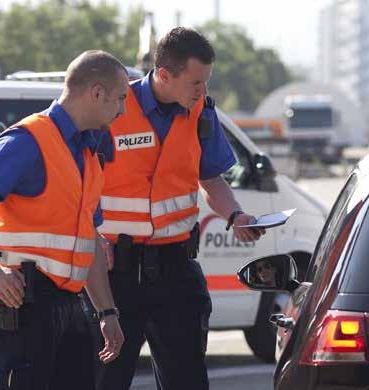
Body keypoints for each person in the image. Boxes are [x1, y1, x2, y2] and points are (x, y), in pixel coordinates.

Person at [95, 27, 266, 390]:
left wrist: (235, 215)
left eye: (206, 83)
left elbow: (212, 179)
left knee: (187, 381)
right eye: (195, 83)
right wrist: (92, 238)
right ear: (164, 75)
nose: (202, 92)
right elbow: (76, 182)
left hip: (175, 271)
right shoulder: (112, 108)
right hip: (116, 275)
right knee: (105, 380)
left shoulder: (202, 112)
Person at [0, 50, 128, 390]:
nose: (123, 109)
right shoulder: (28, 141)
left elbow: (88, 238)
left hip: (69, 307)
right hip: (21, 306)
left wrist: (107, 312)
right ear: (96, 92)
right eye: (120, 98)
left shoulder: (87, 152)